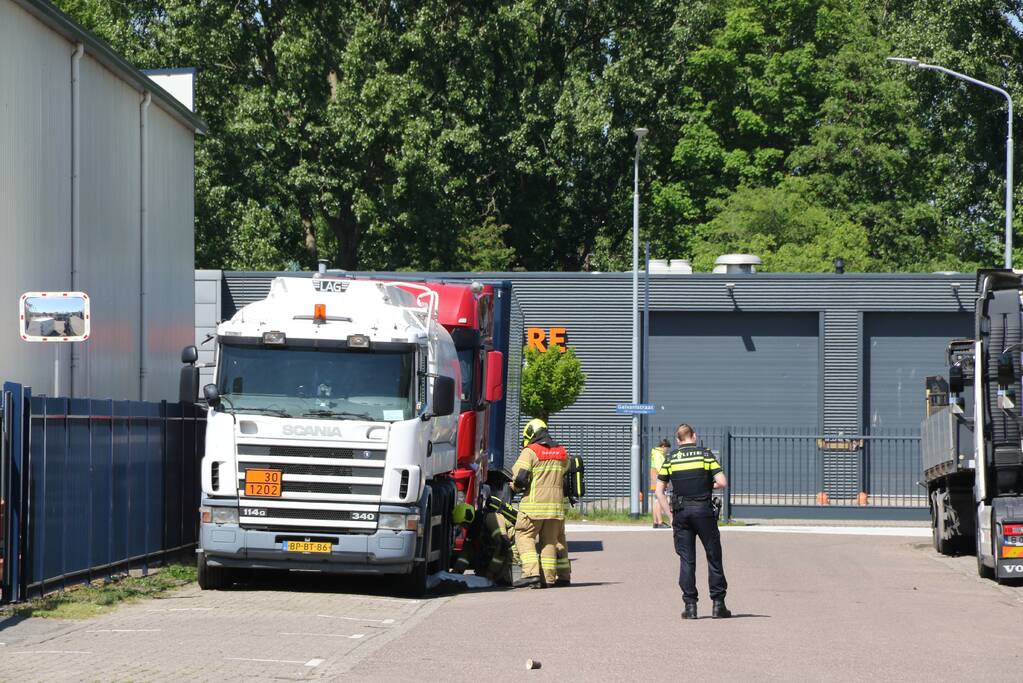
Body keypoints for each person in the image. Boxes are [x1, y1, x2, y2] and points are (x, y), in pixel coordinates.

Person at [655, 423, 731, 619]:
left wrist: (670, 516)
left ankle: (690, 607)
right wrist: (707, 485)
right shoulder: (705, 455)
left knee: (687, 560)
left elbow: (659, 491)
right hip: (704, 511)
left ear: (678, 440)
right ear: (694, 436)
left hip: (681, 512)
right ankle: (718, 605)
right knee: (713, 556)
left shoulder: (670, 458)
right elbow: (722, 482)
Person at [512, 418, 570, 588]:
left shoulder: (530, 451)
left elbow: (520, 476)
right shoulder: (561, 452)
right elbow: (565, 471)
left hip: (533, 506)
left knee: (524, 536)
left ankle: (531, 574)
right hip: (556, 507)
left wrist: (514, 486)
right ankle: (549, 578)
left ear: (530, 433)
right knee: (549, 541)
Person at [649, 438, 672, 528]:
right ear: (663, 446)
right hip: (659, 478)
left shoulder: (655, 453)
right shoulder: (659, 454)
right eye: (667, 448)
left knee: (656, 500)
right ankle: (660, 522)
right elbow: (661, 468)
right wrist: (666, 480)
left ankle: (655, 521)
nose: (667, 451)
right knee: (659, 499)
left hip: (654, 477)